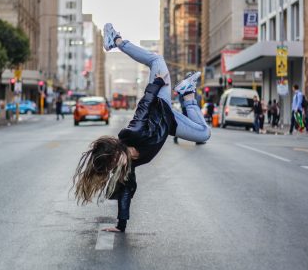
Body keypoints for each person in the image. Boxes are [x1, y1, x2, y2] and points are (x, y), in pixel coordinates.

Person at [72, 23, 210, 233]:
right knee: (204, 133)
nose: (120, 164)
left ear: (117, 152)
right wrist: (120, 226)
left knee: (157, 59)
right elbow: (126, 194)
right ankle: (188, 93)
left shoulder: (131, 134)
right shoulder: (127, 169)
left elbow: (144, 106)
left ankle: (116, 40)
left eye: (116, 160)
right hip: (170, 123)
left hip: (159, 103)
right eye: (115, 165)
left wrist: (156, 84)